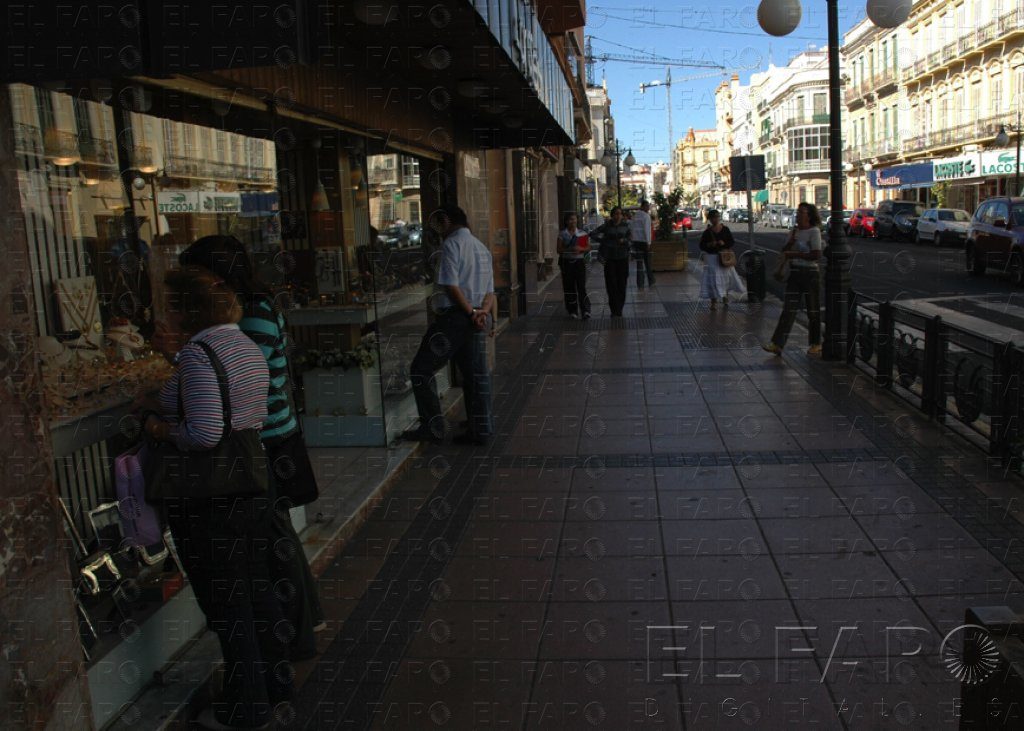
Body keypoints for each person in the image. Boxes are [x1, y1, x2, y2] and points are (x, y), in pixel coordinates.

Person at [140, 267, 291, 730]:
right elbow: (230, 405)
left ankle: (246, 708)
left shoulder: (198, 354)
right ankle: (276, 686)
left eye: (170, 304)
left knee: (228, 605)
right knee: (255, 590)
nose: (165, 313)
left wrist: (160, 430)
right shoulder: (242, 344)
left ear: (185, 310)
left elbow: (205, 432)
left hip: (212, 499)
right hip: (250, 485)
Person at [177, 235, 325, 663]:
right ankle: (303, 625)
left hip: (267, 439)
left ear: (216, 275)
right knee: (276, 535)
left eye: (196, 275)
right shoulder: (247, 307)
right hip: (263, 437)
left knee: (275, 538)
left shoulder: (254, 311)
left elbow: (244, 383)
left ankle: (299, 633)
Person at [403, 204, 497, 445]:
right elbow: (490, 291)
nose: (436, 229)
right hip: (475, 318)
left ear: (446, 221)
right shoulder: (481, 248)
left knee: (421, 368)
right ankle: (481, 428)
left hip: (455, 318)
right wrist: (482, 313)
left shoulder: (451, 245)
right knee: (476, 375)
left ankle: (433, 427)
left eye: (437, 223)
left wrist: (471, 312)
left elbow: (451, 286)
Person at [764, 202, 823, 356]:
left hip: (810, 273)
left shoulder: (814, 231)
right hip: (795, 273)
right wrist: (790, 244)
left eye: (801, 212)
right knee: (788, 310)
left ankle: (816, 343)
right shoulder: (794, 231)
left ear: (809, 215)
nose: (797, 215)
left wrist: (795, 254)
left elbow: (816, 254)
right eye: (798, 212)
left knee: (813, 310)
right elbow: (784, 251)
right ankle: (777, 343)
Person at [699, 209, 746, 310]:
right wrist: (710, 244)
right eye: (712, 218)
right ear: (710, 219)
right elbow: (702, 245)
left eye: (716, 217)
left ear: (719, 218)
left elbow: (731, 242)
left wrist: (724, 243)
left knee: (725, 279)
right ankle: (713, 302)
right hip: (712, 258)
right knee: (712, 281)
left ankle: (725, 297)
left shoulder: (725, 229)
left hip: (724, 259)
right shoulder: (707, 232)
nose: (715, 220)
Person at [593, 206, 631, 317]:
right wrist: (604, 241)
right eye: (615, 214)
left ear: (622, 215)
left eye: (620, 214)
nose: (617, 216)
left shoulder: (626, 226)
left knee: (622, 284)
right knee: (611, 284)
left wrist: (624, 241)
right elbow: (593, 234)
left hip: (622, 258)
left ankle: (620, 308)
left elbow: (631, 240)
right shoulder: (606, 226)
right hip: (610, 259)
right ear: (612, 215)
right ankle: (614, 309)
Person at [557, 212, 591, 320]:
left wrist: (581, 249)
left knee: (581, 287)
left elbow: (588, 247)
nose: (573, 221)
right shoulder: (562, 234)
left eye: (574, 219)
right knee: (569, 287)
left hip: (579, 262)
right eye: (570, 219)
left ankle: (585, 310)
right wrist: (570, 249)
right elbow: (559, 250)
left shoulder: (581, 233)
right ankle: (572, 310)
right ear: (566, 221)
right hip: (567, 263)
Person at [630, 200, 655, 289]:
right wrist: (648, 242)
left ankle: (640, 284)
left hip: (636, 242)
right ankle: (651, 281)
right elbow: (647, 230)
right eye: (647, 206)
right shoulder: (646, 216)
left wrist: (633, 240)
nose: (648, 208)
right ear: (643, 206)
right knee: (647, 263)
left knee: (639, 263)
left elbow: (632, 228)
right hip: (644, 242)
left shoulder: (635, 216)